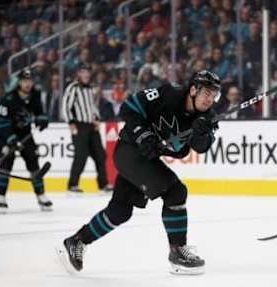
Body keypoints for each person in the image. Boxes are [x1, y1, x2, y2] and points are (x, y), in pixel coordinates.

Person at [56, 70, 221, 275]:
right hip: (129, 151)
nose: (211, 99)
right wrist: (143, 135)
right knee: (175, 191)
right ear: (194, 89)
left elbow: (201, 147)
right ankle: (178, 252)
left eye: (215, 95)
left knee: (120, 211)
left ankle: (77, 241)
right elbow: (129, 107)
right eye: (207, 93)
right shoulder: (168, 94)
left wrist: (201, 132)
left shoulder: (208, 117)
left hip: (145, 159)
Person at [0, 69, 52, 213]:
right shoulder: (8, 99)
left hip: (25, 134)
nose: (28, 84)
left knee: (33, 162)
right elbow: (1, 122)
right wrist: (11, 139)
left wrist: (42, 118)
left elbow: (39, 111)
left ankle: (41, 195)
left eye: (30, 81)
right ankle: (0, 197)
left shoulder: (35, 95)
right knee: (5, 164)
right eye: (25, 81)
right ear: (19, 82)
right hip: (6, 135)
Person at [62, 63, 111, 193]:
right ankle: (72, 184)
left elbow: (92, 106)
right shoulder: (73, 88)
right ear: (78, 74)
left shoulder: (90, 88)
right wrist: (71, 123)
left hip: (91, 126)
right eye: (83, 72)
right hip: (79, 125)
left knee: (100, 155)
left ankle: (103, 184)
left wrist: (97, 118)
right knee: (81, 155)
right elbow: (66, 106)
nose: (86, 75)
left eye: (87, 72)